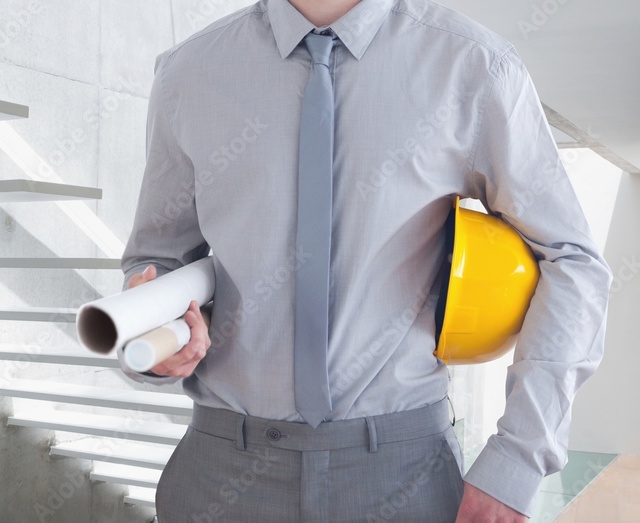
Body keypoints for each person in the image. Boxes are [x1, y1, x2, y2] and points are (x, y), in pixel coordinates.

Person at [118, 0, 613, 521]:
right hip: (220, 473)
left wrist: (516, 461)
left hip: (404, 477)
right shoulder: (189, 72)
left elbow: (571, 260)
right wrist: (156, 340)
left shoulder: (472, 65)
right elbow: (157, 259)